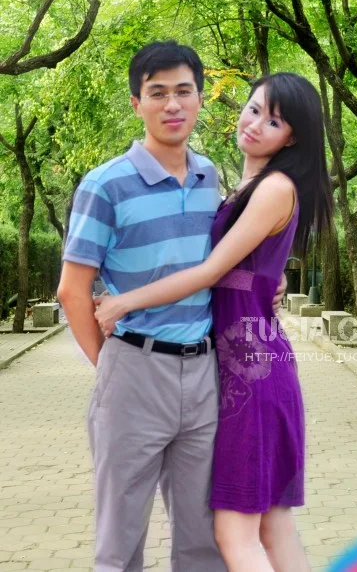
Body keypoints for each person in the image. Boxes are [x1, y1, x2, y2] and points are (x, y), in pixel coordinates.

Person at [57, 40, 285, 572]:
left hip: (205, 375)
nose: (172, 104)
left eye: (184, 91)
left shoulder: (210, 178)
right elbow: (72, 290)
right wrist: (113, 366)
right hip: (135, 372)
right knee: (120, 542)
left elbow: (218, 265)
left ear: (201, 98)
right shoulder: (105, 185)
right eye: (157, 93)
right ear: (137, 103)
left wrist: (263, 287)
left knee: (204, 539)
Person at [94, 71, 333, 571]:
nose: (255, 124)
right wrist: (265, 281)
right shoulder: (244, 186)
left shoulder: (274, 188)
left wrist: (122, 303)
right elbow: (242, 266)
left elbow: (209, 271)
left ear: (292, 138)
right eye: (253, 109)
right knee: (273, 527)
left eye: (274, 121)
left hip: (252, 375)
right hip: (244, 363)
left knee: (233, 532)